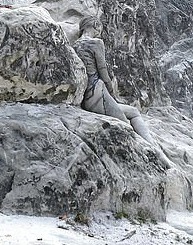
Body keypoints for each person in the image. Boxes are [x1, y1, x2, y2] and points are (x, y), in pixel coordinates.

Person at [73, 17, 172, 167]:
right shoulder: (96, 43)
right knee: (127, 127)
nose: (100, 32)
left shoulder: (75, 45)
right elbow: (103, 72)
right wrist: (112, 93)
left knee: (132, 111)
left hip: (86, 98)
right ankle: (157, 154)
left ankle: (155, 150)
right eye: (100, 28)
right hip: (97, 94)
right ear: (96, 25)